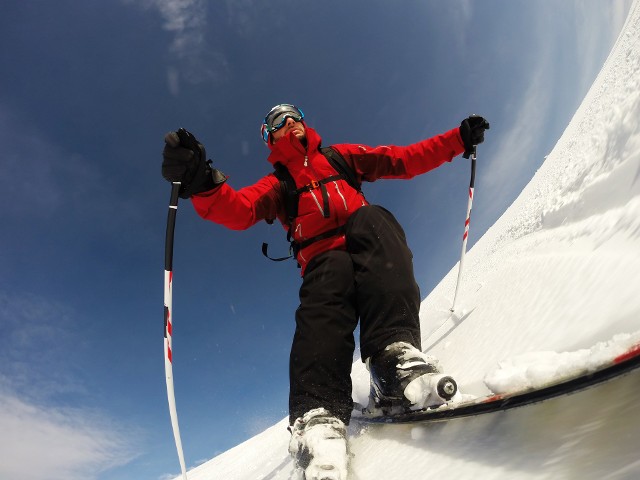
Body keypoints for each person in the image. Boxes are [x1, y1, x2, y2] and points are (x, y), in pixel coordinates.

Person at [162, 104, 489, 479]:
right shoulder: (279, 183)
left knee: (374, 218)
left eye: (293, 115)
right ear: (270, 137)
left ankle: (392, 361)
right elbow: (241, 209)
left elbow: (401, 159)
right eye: (276, 122)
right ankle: (318, 414)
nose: (289, 123)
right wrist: (202, 182)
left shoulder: (340, 157)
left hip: (367, 243)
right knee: (328, 277)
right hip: (321, 259)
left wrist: (457, 140)